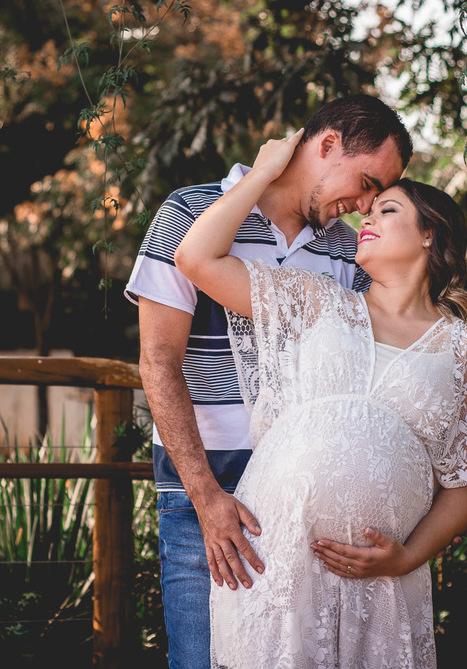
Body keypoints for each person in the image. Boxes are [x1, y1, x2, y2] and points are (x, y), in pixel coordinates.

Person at [173, 129, 467, 669]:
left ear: (429, 235)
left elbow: (466, 483)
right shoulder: (318, 302)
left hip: (381, 580)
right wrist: (262, 173)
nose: (366, 219)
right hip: (275, 554)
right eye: (367, 211)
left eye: (386, 210)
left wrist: (405, 558)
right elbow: (195, 258)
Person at [125, 95, 413, 669]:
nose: (363, 206)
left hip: (308, 503)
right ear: (327, 144)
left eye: (377, 197)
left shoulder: (349, 251)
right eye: (366, 184)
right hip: (207, 495)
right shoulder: (188, 212)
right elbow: (158, 361)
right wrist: (206, 497)